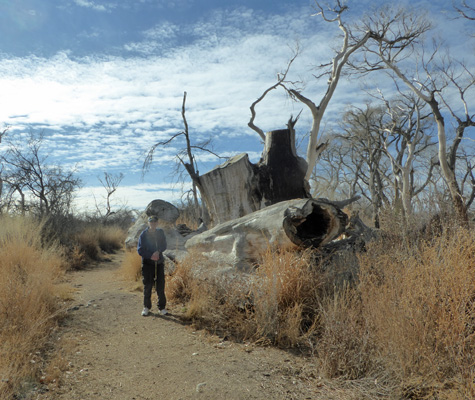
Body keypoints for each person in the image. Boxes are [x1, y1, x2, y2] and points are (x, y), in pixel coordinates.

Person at [137, 215, 168, 316]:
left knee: (160, 285)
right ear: (148, 223)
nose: (153, 224)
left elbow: (164, 245)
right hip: (147, 263)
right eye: (151, 222)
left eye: (155, 222)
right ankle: (146, 307)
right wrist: (150, 256)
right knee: (148, 285)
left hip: (159, 263)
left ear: (157, 223)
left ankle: (162, 308)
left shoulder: (160, 232)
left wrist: (158, 252)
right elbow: (140, 250)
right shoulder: (143, 234)